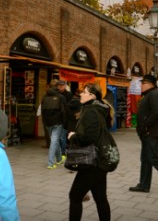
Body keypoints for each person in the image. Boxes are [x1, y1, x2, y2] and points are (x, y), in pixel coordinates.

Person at [67, 83, 112, 221]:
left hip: (93, 162)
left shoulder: (92, 110)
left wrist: (73, 136)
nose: (81, 94)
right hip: (99, 160)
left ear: (92, 95)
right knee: (100, 198)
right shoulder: (98, 109)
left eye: (84, 92)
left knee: (75, 196)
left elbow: (90, 137)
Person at [41, 78, 68, 169]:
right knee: (54, 141)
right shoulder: (61, 97)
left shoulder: (44, 97)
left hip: (48, 122)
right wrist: (65, 123)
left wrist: (44, 122)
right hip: (58, 122)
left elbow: (42, 111)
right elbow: (64, 111)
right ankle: (50, 163)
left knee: (54, 140)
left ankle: (59, 159)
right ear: (57, 87)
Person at [58, 80, 73, 155]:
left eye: (62, 85)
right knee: (60, 136)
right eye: (59, 85)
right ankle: (61, 150)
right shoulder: (56, 94)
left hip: (66, 118)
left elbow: (70, 107)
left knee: (63, 136)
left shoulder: (69, 94)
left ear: (65, 86)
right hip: (58, 117)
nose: (61, 87)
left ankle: (63, 151)